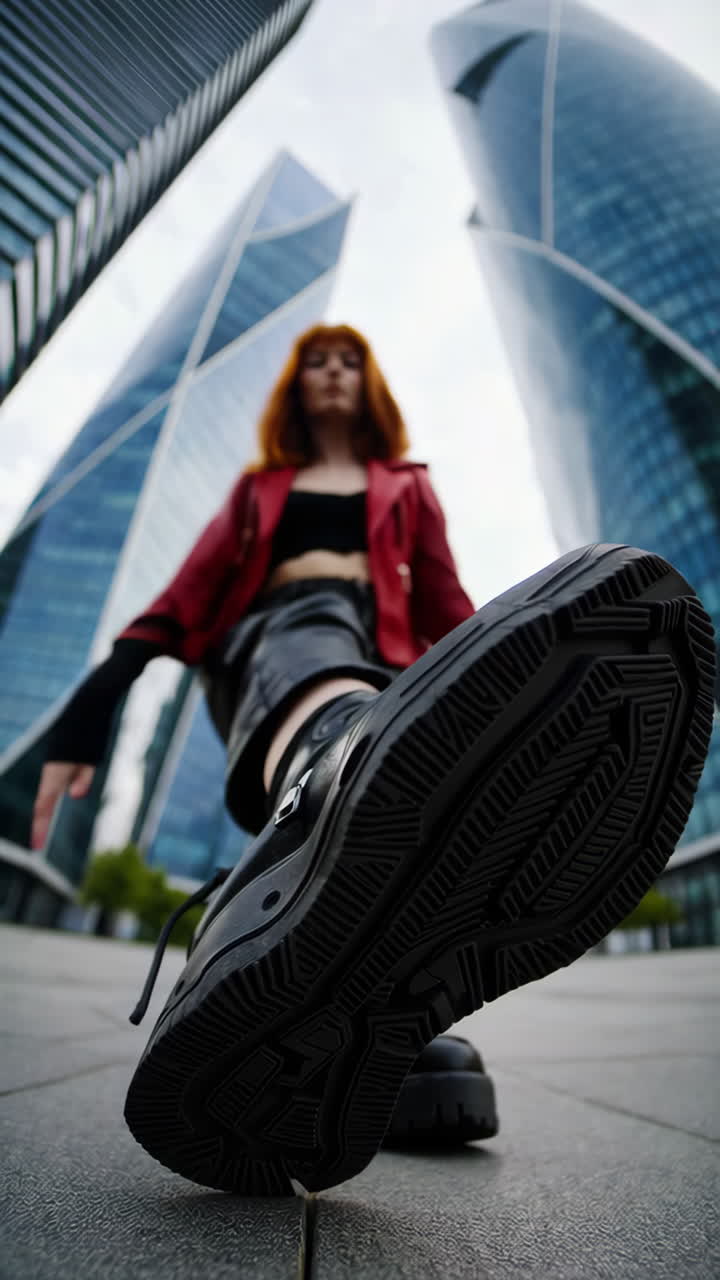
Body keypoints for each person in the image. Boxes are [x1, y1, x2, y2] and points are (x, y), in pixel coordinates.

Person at [33, 324, 715, 1196]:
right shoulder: (258, 490)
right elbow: (182, 601)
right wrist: (85, 718)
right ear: (296, 384)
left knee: (376, 719)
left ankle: (346, 993)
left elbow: (448, 604)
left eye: (347, 362)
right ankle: (339, 769)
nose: (330, 373)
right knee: (318, 641)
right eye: (316, 361)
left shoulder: (406, 487)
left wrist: (512, 691)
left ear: (368, 386)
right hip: (265, 650)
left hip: (377, 658)